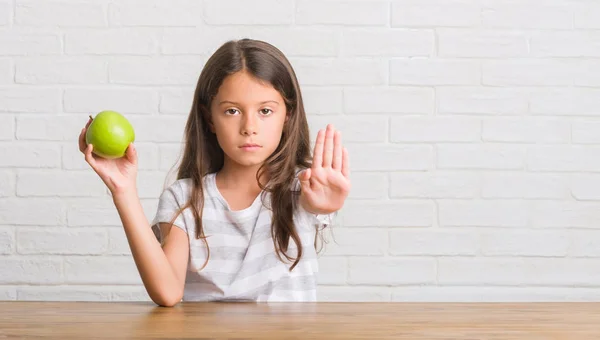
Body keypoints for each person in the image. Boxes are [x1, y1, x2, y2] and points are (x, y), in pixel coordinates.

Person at [78, 38, 351, 306]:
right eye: (232, 111)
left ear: (287, 117)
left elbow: (317, 204)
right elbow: (167, 292)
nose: (249, 127)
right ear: (210, 118)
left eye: (265, 111)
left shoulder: (303, 189)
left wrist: (323, 206)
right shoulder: (183, 198)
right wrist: (123, 191)